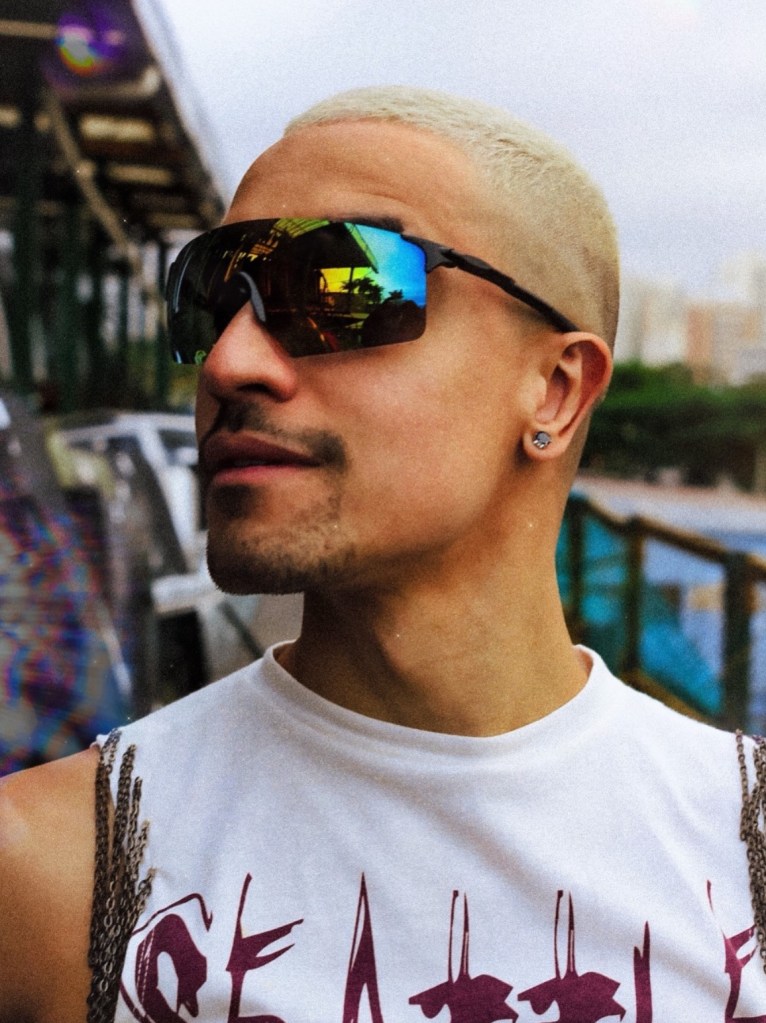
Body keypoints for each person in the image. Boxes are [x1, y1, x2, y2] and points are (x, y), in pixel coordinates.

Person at [1, 84, 765, 1023]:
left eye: (342, 286)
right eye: (212, 296)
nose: (229, 362)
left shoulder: (746, 857)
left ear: (557, 390)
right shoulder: (53, 878)